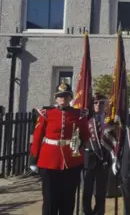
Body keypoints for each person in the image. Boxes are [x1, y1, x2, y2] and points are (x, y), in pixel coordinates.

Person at [30, 81, 90, 215]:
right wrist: (33, 159)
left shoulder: (79, 114)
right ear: (56, 98)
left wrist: (80, 142)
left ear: (70, 98)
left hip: (71, 162)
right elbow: (37, 137)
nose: (63, 99)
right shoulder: (46, 114)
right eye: (60, 96)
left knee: (68, 200)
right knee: (50, 199)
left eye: (66, 96)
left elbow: (86, 135)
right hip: (49, 162)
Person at [83, 93, 110, 215]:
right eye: (95, 102)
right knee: (87, 190)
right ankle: (87, 212)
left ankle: (99, 212)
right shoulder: (86, 120)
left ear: (106, 105)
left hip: (104, 159)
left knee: (101, 190)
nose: (98, 105)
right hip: (89, 158)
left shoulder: (111, 120)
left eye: (102, 102)